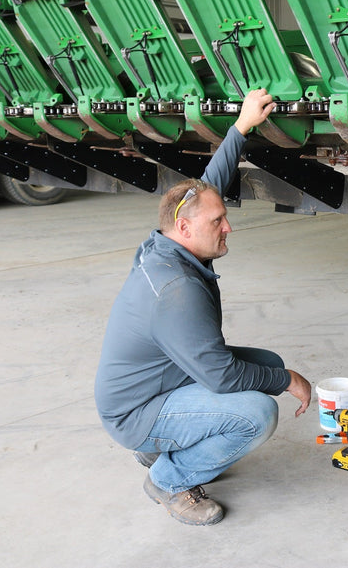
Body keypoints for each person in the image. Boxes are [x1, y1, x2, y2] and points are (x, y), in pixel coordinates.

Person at [95, 89, 311, 526]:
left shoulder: (167, 244)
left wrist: (242, 126)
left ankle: (162, 445)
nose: (228, 227)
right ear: (185, 226)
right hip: (136, 411)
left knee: (266, 364)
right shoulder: (177, 289)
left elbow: (207, 188)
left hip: (152, 386)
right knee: (258, 412)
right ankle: (169, 478)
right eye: (218, 223)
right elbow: (221, 375)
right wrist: (287, 381)